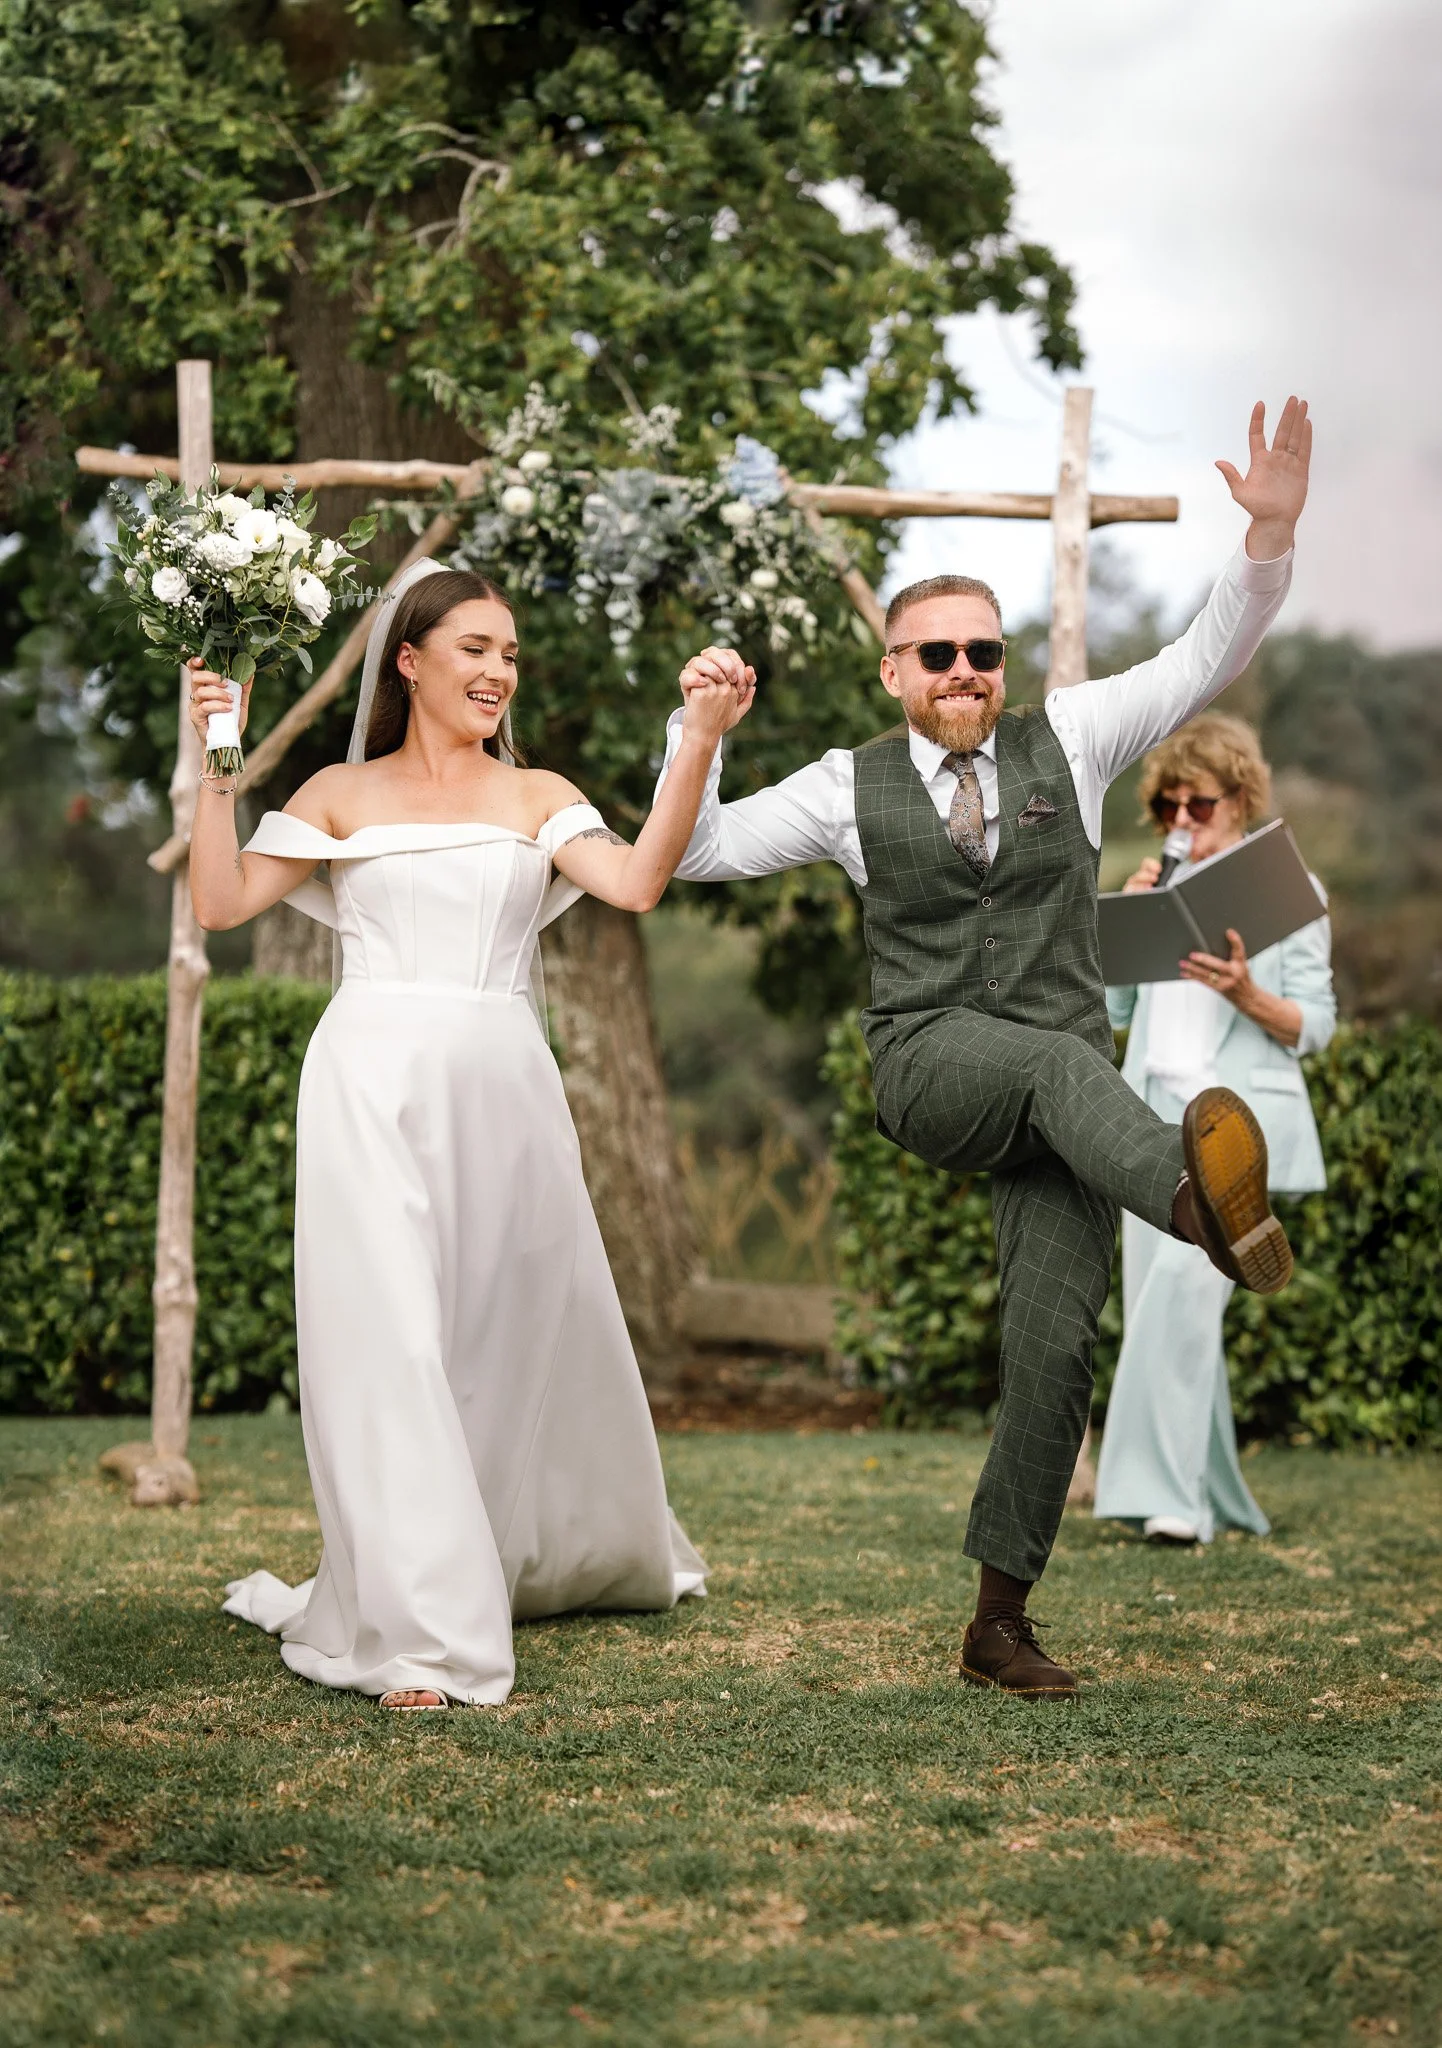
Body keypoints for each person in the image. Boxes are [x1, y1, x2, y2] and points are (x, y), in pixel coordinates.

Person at [655, 398, 1313, 1700]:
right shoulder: (843, 786)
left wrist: (1266, 540)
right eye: (936, 654)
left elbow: (1206, 653)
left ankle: (995, 1624)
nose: (963, 670)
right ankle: (1198, 1208)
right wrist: (700, 739)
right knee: (1064, 1065)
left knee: (1054, 1345)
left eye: (982, 651)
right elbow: (697, 850)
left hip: (1065, 1105)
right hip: (931, 1064)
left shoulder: (1071, 736)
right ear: (891, 672)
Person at [187, 561, 752, 1710]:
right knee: (387, 1341)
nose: (498, 671)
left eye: (508, 653)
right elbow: (221, 901)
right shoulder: (339, 792)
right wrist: (216, 761)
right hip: (366, 1083)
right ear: (409, 660)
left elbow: (636, 882)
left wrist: (695, 739)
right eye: (474, 648)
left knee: (493, 1340)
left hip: (503, 1087)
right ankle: (418, 1635)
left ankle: (500, 1552)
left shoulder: (536, 791)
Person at [1094, 714, 1336, 1545]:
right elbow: (1114, 1013)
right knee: (1162, 1311)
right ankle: (1219, 1496)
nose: (1182, 820)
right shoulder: (1155, 880)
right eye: (1169, 807)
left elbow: (1316, 1025)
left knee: (1181, 1301)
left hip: (1235, 1134)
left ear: (1239, 798)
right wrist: (1126, 925)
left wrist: (1244, 992)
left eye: (1198, 804)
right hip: (1149, 1126)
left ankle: (1171, 1505)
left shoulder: (1286, 890)